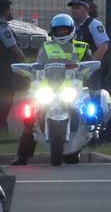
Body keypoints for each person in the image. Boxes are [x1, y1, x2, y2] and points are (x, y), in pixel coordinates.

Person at [10, 14, 92, 165]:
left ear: (71, 30)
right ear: (53, 31)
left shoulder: (81, 47)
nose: (61, 33)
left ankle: (87, 137)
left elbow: (87, 66)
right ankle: (22, 156)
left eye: (64, 30)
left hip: (71, 85)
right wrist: (30, 70)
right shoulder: (46, 47)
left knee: (88, 110)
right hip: (48, 85)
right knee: (30, 116)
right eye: (58, 31)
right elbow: (37, 66)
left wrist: (88, 70)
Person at [68, 0, 111, 143]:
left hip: (91, 69)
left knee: (94, 97)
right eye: (73, 8)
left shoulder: (93, 24)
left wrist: (90, 65)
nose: (74, 10)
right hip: (73, 69)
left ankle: (96, 130)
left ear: (86, 9)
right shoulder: (71, 25)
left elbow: (103, 46)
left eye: (78, 8)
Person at [0, 0, 26, 133]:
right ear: (5, 11)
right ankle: (2, 126)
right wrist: (25, 62)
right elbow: (14, 49)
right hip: (4, 71)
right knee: (6, 99)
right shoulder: (3, 29)